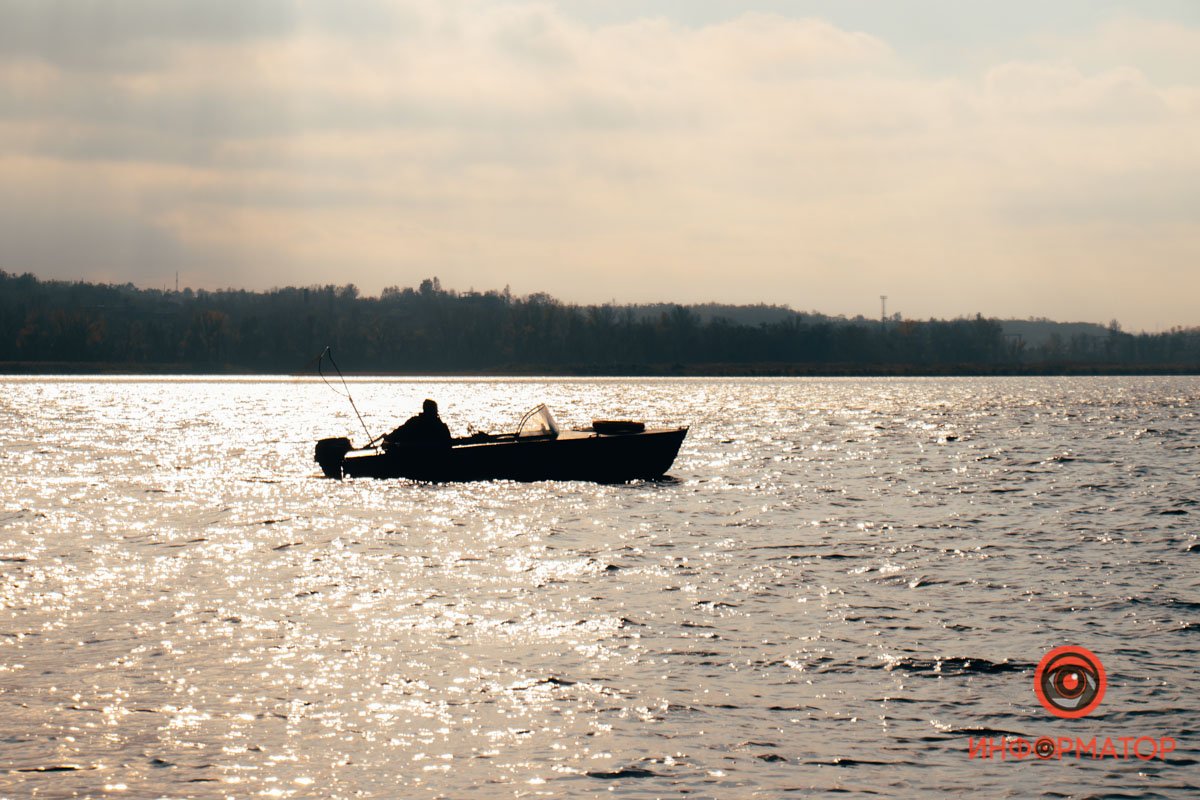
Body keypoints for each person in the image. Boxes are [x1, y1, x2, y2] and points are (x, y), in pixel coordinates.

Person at [384, 398, 451, 448]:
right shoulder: (440, 426)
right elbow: (448, 442)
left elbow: (398, 433)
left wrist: (388, 437)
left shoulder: (413, 422)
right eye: (435, 410)